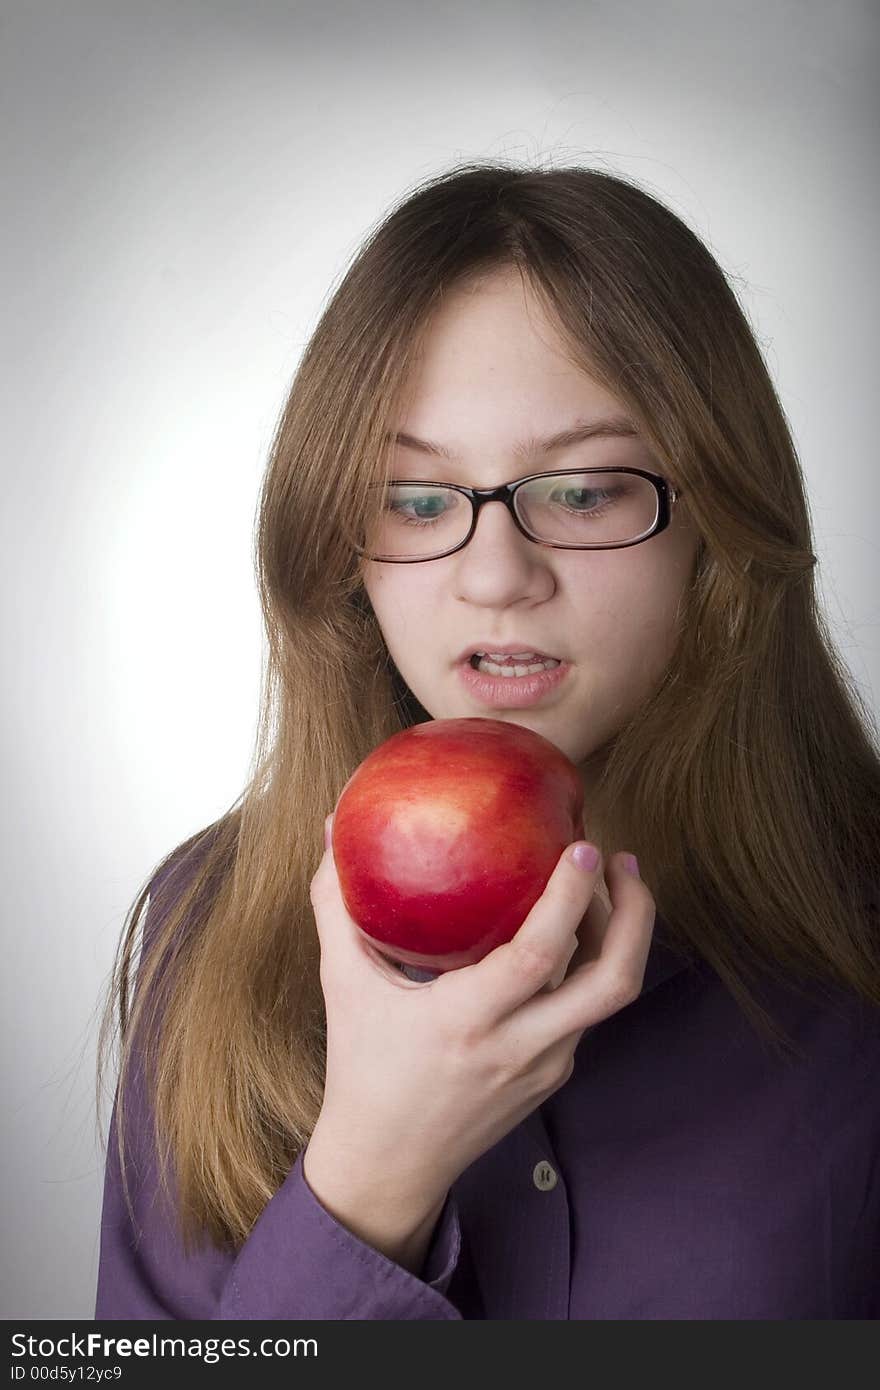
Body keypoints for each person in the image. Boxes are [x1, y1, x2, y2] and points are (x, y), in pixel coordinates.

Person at [94, 162, 880, 1320]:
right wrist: (373, 1172)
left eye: (584, 489)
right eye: (416, 500)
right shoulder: (204, 924)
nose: (497, 576)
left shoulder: (854, 924)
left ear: (713, 519)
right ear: (342, 550)